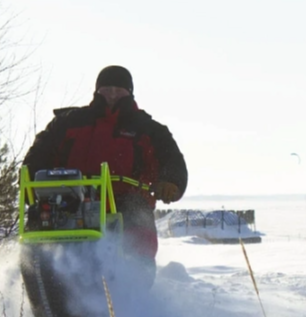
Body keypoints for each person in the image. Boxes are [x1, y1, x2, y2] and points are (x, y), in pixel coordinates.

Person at [22, 65, 188, 263]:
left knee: (136, 220)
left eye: (119, 90)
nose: (112, 95)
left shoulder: (149, 129)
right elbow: (40, 152)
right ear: (97, 91)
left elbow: (172, 159)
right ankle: (41, 266)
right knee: (43, 216)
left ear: (129, 93)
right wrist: (32, 180)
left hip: (127, 202)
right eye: (106, 90)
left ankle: (133, 277)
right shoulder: (68, 123)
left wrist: (171, 182)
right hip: (73, 199)